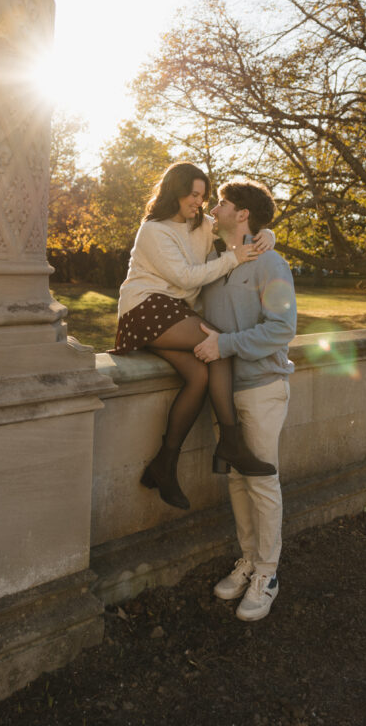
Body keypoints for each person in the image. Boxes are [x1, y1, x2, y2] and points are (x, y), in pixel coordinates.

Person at [113, 162, 277, 511]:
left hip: (174, 313)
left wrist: (268, 236)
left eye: (203, 197)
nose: (199, 203)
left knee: (200, 373)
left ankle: (164, 465)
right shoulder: (153, 230)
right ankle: (231, 442)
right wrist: (233, 259)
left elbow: (240, 229)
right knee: (217, 341)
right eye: (194, 195)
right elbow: (187, 277)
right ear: (176, 190)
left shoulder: (201, 225)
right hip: (144, 309)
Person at [194, 179, 296, 622]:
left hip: (260, 388)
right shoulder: (217, 261)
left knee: (260, 479)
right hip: (223, 392)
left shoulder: (271, 262)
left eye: (222, 203)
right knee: (237, 479)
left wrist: (226, 345)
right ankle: (249, 561)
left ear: (242, 215)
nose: (213, 208)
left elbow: (281, 328)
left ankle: (269, 574)